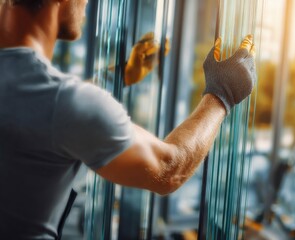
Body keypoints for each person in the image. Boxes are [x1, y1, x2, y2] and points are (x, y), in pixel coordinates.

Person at [0, 0, 256, 239]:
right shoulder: (61, 101)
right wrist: (222, 93)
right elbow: (169, 170)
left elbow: (43, 109)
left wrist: (119, 76)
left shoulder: (40, 96)